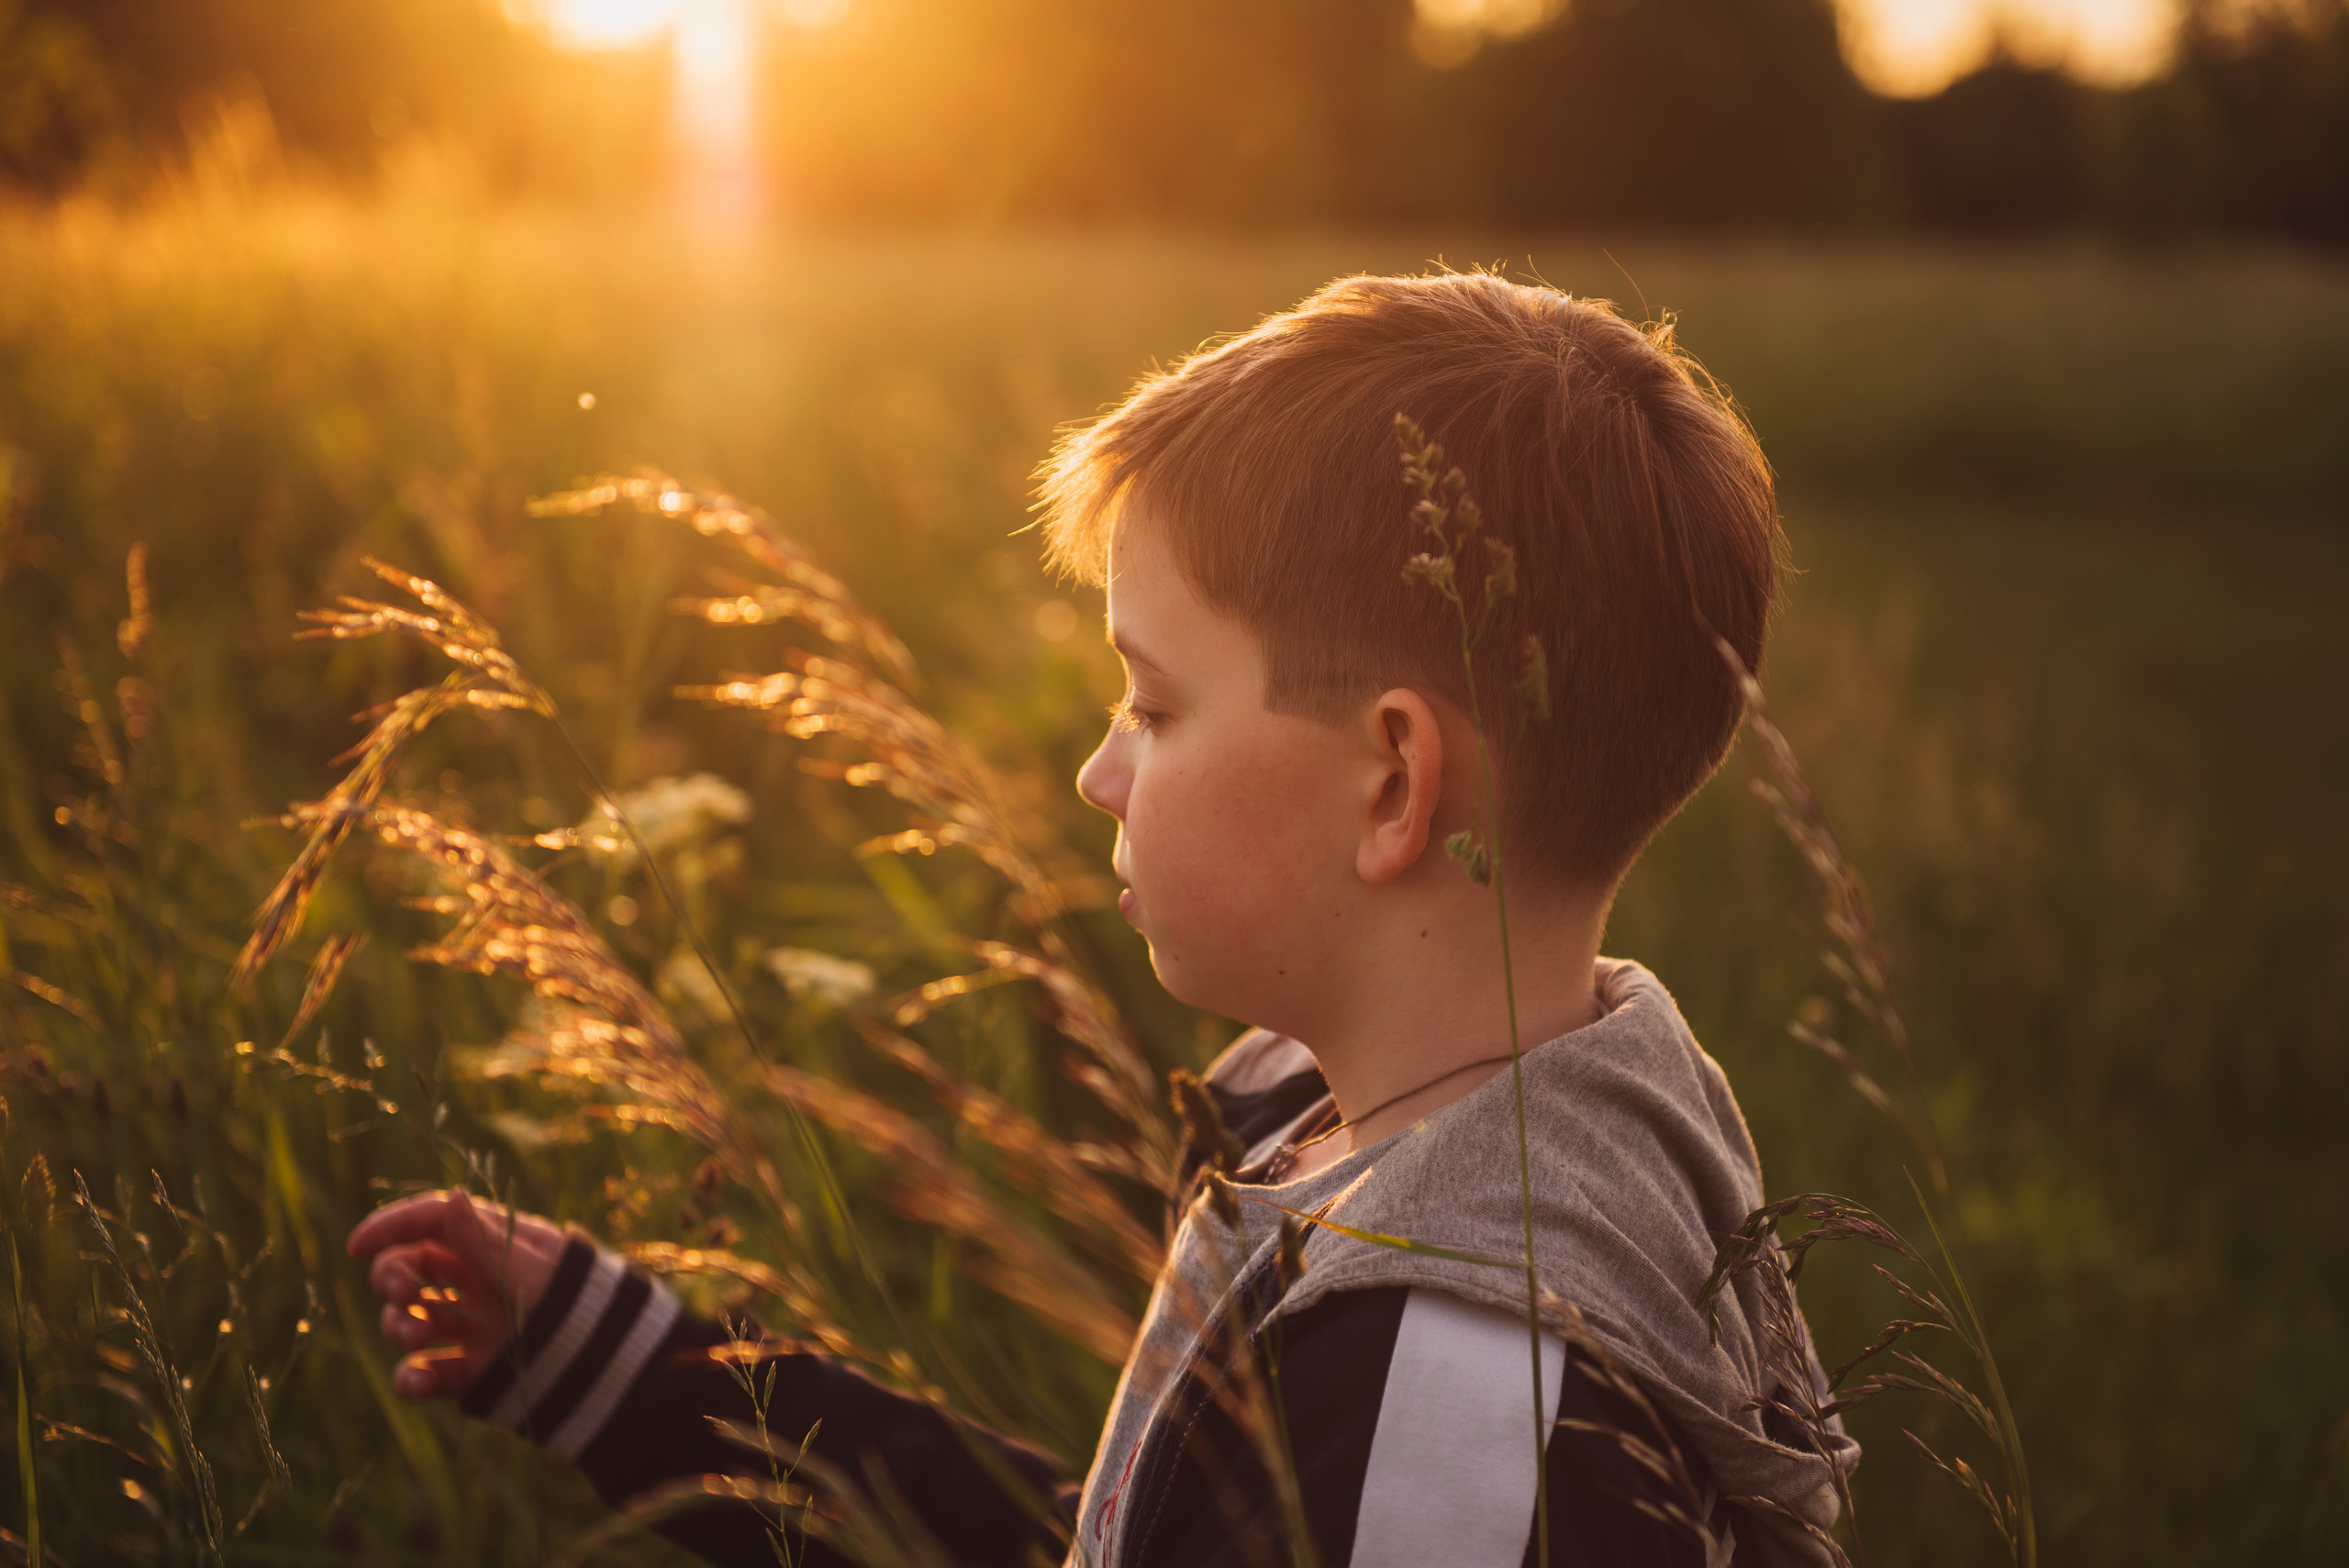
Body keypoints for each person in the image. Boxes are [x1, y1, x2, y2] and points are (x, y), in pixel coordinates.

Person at [349, 272, 1857, 1567]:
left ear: (1394, 779)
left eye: (1152, 700)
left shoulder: (1446, 1429)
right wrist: (643, 1371)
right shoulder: (1374, 1125)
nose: (1098, 769)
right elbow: (1126, 1530)